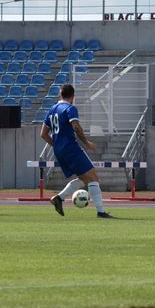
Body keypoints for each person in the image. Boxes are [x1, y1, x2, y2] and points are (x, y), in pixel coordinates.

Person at [40, 84, 115, 219]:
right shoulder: (70, 108)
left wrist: (57, 145)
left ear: (60, 95)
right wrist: (86, 143)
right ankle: (101, 212)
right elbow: (76, 126)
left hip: (59, 151)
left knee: (85, 179)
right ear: (73, 96)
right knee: (93, 178)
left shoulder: (52, 110)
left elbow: (43, 134)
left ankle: (59, 198)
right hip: (71, 148)